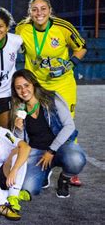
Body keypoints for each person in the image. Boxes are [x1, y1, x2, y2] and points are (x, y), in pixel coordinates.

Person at [16, 0, 87, 186]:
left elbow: (82, 48)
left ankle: (70, 167)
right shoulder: (22, 29)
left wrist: (68, 65)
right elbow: (3, 37)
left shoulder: (63, 27)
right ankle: (42, 166)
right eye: (35, 9)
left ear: (50, 10)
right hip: (36, 85)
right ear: (29, 12)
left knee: (66, 123)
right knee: (35, 124)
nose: (39, 13)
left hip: (62, 84)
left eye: (43, 9)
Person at [11, 69, 86, 198]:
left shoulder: (52, 98)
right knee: (28, 189)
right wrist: (18, 129)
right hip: (36, 151)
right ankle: (45, 173)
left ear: (34, 84)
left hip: (60, 147)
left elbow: (69, 126)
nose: (23, 91)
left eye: (26, 85)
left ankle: (64, 179)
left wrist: (51, 151)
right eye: (18, 88)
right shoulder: (18, 108)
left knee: (76, 159)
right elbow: (19, 142)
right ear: (15, 91)